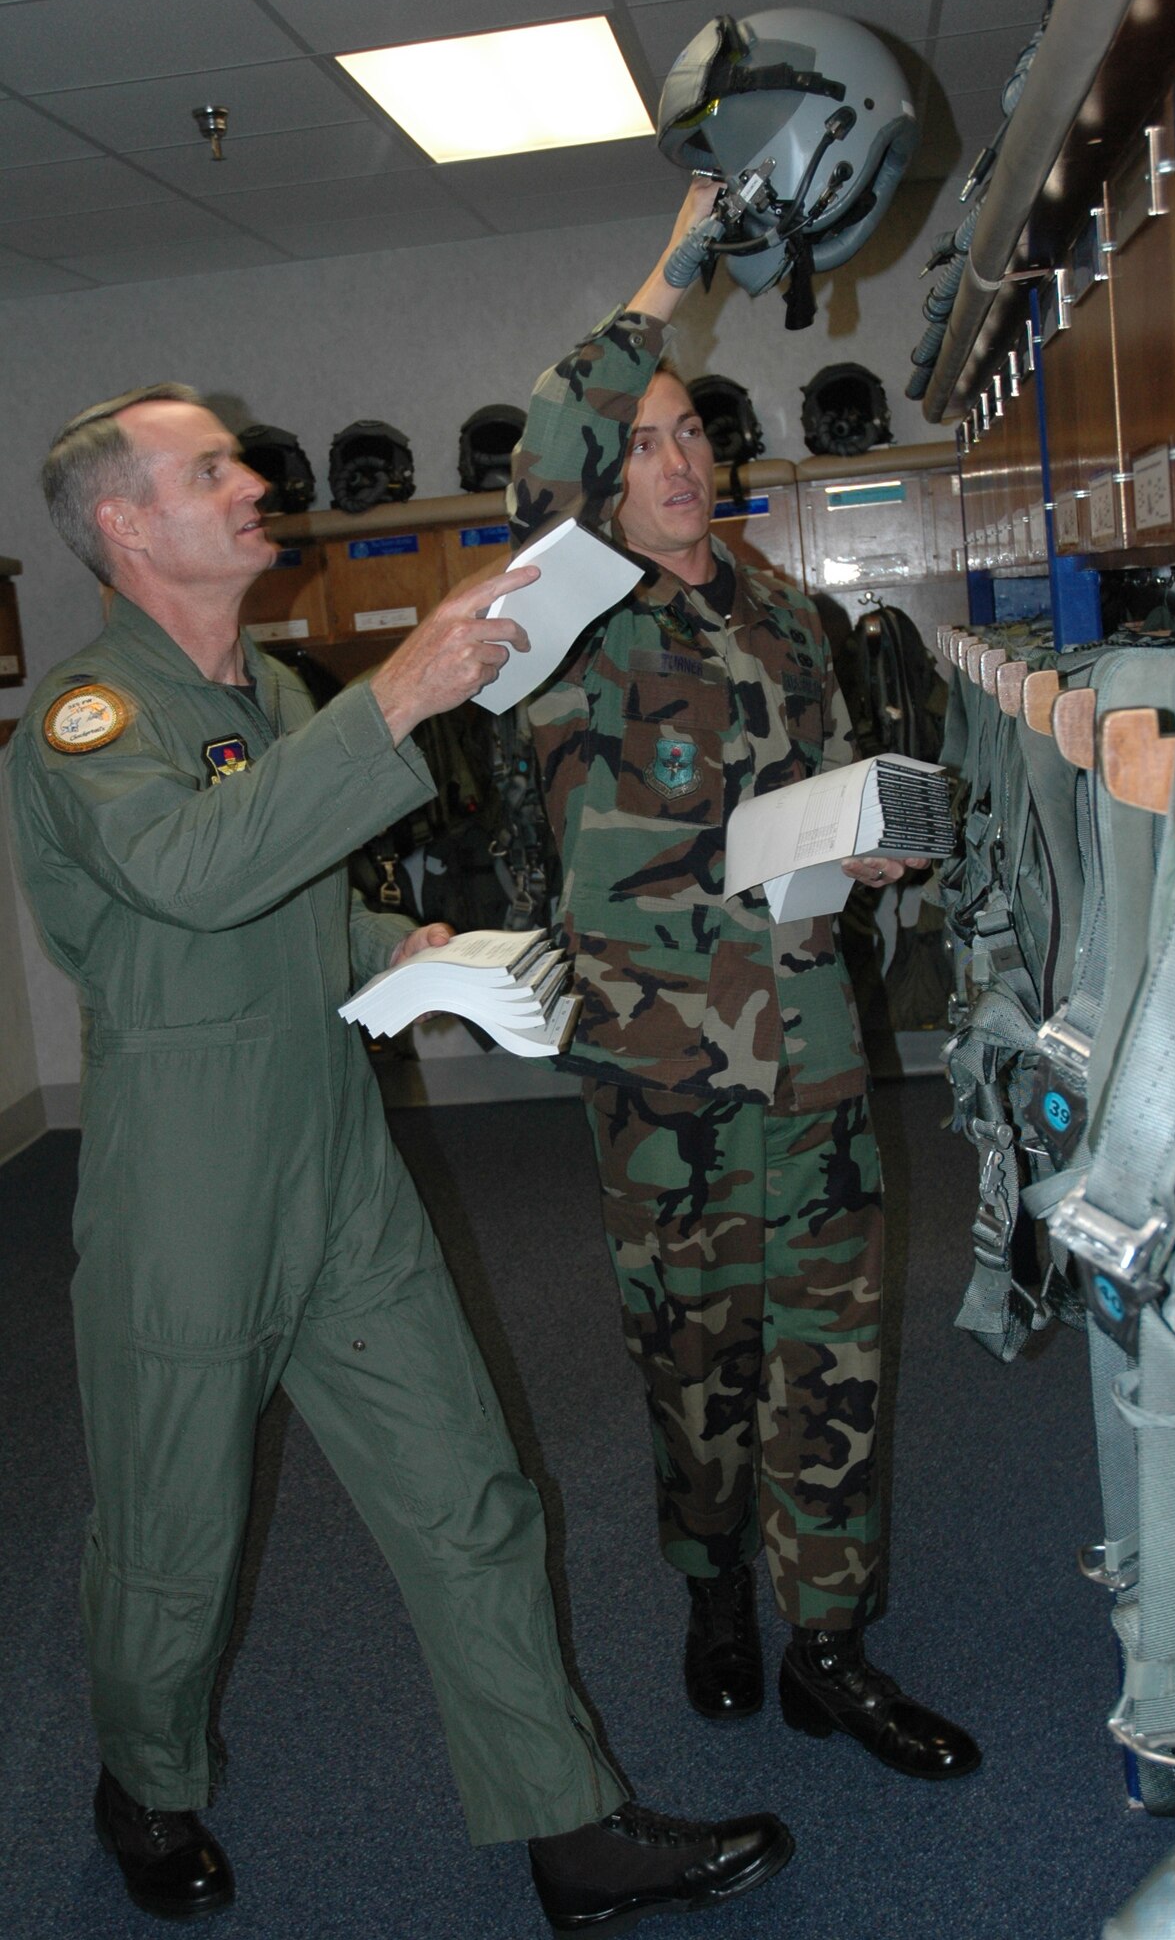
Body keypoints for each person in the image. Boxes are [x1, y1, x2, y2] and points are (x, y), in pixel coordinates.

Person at [4, 383, 794, 1930]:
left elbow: (291, 905)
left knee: (472, 1498)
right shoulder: (87, 718)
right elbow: (192, 874)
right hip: (185, 1179)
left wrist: (403, 938)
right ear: (124, 524)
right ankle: (143, 1781)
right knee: (173, 1543)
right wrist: (404, 692)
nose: (255, 481)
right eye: (212, 468)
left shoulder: (274, 698)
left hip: (334, 1156)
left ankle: (565, 1827)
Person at [508, 180, 980, 1781]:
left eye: (690, 433)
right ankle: (715, 1595)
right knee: (691, 1358)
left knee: (831, 1351)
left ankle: (828, 1646)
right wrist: (671, 273)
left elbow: (824, 790)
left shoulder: (788, 613)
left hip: (817, 1048)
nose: (678, 459)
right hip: (663, 1076)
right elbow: (541, 459)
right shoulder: (565, 617)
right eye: (642, 441)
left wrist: (864, 852)